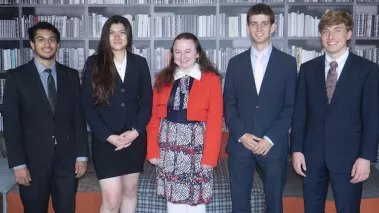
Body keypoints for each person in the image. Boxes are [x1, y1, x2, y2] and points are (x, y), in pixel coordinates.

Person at [291, 10, 379, 213]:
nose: (330, 37)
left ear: (349, 34)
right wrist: (296, 150)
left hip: (349, 157)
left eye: (337, 30)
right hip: (311, 156)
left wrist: (366, 157)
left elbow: (372, 117)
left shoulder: (367, 70)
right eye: (325, 31)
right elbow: (299, 114)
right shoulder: (307, 69)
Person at [3, 22, 89, 213]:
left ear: (57, 44)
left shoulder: (72, 76)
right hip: (32, 164)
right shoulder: (16, 77)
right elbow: (11, 125)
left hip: (67, 162)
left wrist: (82, 155)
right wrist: (18, 164)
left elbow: (78, 118)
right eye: (41, 40)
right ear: (32, 45)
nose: (47, 44)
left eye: (51, 39)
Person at [223, 3, 297, 213]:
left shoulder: (288, 63)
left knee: (274, 203)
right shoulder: (235, 63)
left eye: (264, 23)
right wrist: (242, 135)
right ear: (247, 28)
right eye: (253, 24)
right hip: (240, 145)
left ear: (273, 27)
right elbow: (229, 103)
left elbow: (290, 106)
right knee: (239, 204)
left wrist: (270, 138)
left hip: (273, 146)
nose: (259, 29)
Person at [80, 15, 152, 213]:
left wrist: (136, 131)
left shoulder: (140, 62)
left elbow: (147, 102)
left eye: (122, 32)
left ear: (129, 36)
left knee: (130, 193)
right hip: (106, 141)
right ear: (106, 37)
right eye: (112, 33)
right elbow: (87, 106)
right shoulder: (93, 63)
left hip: (134, 139)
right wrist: (108, 136)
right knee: (112, 201)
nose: (117, 36)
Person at [146, 32, 223, 213]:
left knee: (196, 204)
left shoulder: (211, 80)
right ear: (172, 54)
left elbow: (215, 121)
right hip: (169, 150)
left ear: (198, 53)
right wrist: (152, 150)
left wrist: (210, 157)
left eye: (188, 51)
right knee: (174, 203)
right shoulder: (161, 79)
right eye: (178, 52)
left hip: (197, 150)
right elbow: (154, 118)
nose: (183, 56)